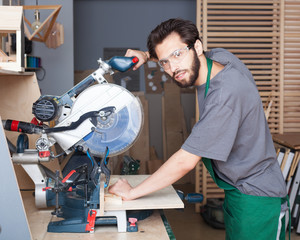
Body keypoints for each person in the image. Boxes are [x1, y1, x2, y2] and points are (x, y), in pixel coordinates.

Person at [108, 18, 289, 240]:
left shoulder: (224, 97)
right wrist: (146, 56)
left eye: (177, 56)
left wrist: (132, 193)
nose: (172, 68)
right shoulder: (220, 57)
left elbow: (185, 161)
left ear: (198, 47)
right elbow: (173, 53)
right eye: (164, 62)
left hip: (258, 199)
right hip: (239, 191)